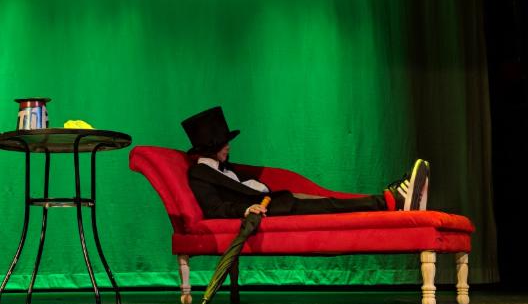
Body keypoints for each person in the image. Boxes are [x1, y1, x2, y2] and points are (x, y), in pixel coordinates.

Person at [182, 106, 429, 224]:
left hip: (276, 200)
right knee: (330, 205)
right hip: (270, 210)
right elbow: (214, 209)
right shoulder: (201, 174)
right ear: (210, 148)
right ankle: (391, 201)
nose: (228, 147)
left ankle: (392, 201)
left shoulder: (224, 167)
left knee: (329, 200)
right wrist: (246, 210)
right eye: (223, 143)